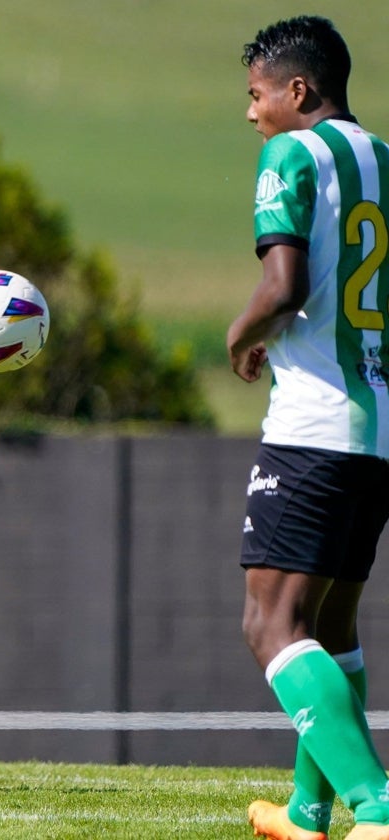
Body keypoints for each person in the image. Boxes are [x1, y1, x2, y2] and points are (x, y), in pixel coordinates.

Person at [228, 16, 389, 840]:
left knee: (270, 623)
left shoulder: (291, 154)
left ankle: (378, 804)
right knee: (331, 627)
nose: (252, 114)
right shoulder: (386, 162)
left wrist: (240, 335)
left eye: (257, 95)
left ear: (298, 90)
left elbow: (284, 283)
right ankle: (306, 811)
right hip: (380, 430)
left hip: (315, 425)